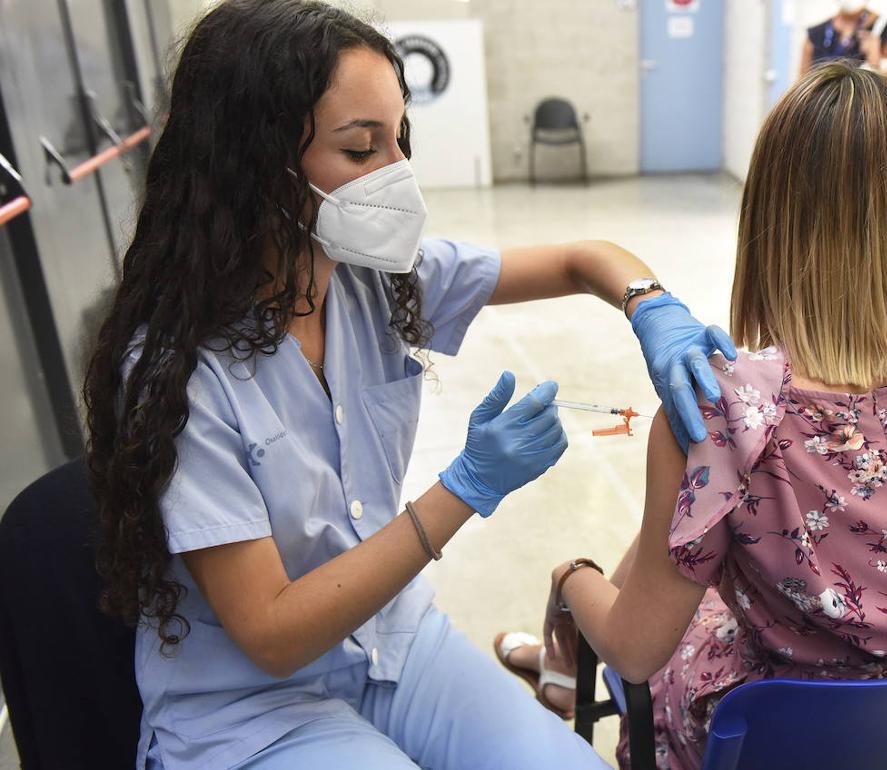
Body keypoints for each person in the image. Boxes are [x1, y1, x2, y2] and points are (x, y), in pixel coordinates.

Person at [81, 2, 737, 769]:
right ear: (256, 165)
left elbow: (579, 258)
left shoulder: (373, 283)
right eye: (362, 150)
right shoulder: (179, 368)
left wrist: (651, 306)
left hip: (391, 644)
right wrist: (463, 487)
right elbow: (271, 632)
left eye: (399, 138)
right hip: (251, 704)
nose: (396, 174)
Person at [495, 63, 887, 770]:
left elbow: (635, 649)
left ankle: (558, 657)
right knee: (684, 528)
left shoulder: (722, 409)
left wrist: (570, 577)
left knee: (644, 596)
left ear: (767, 214)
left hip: (780, 738)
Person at [798, 2, 887, 91]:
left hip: (866, 118)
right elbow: (801, 86)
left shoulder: (882, 29)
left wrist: (879, 63)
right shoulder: (816, 35)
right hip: (822, 118)